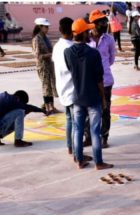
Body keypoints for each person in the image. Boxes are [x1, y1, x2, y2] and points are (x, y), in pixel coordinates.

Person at [65, 17, 113, 171]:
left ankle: (79, 160)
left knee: (78, 130)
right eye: (87, 31)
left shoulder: (68, 52)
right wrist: (103, 98)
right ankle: (98, 162)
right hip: (93, 97)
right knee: (95, 131)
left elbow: (71, 70)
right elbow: (99, 80)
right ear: (83, 33)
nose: (90, 33)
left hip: (77, 96)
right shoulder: (93, 53)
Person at [52, 16, 79, 160]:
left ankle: (70, 147)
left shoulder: (57, 46)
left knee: (69, 120)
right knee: (76, 124)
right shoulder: (70, 48)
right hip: (72, 89)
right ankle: (77, 153)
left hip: (62, 87)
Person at [87, 9, 115, 148]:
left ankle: (104, 137)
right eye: (101, 22)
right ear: (93, 24)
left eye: (105, 21)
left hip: (106, 80)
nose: (105, 23)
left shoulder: (109, 39)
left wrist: (102, 68)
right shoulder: (86, 39)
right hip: (90, 81)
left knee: (105, 110)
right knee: (89, 109)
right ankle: (89, 136)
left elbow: (111, 59)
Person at [31, 18, 59, 115]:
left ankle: (52, 106)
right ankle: (47, 107)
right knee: (45, 86)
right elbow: (37, 55)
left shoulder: (45, 38)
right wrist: (51, 54)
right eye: (46, 27)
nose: (47, 29)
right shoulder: (36, 39)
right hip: (42, 66)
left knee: (50, 86)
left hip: (49, 65)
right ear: (40, 27)